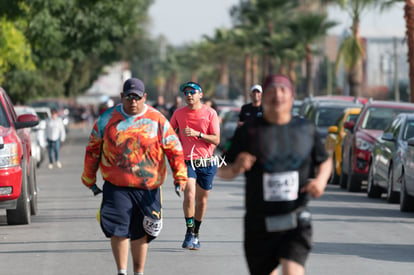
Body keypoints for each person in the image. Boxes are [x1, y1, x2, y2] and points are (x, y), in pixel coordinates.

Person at [217, 74, 332, 275]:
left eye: (283, 90)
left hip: (295, 219)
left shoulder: (305, 129)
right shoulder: (249, 131)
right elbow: (222, 170)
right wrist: (236, 168)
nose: (277, 96)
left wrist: (321, 181)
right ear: (263, 97)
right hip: (259, 222)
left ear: (292, 97)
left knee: (292, 270)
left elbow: (325, 160)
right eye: (271, 91)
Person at [81, 77, 188, 275]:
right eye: (129, 97)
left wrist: (180, 176)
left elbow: (174, 149)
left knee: (143, 231)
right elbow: (93, 150)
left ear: (144, 97)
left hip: (148, 187)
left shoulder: (158, 120)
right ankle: (122, 271)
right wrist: (89, 177)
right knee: (118, 227)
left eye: (137, 97)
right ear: (122, 97)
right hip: (116, 184)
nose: (133, 101)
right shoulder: (107, 119)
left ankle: (138, 272)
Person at [169, 81, 220, 250]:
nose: (189, 95)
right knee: (189, 194)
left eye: (192, 92)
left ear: (200, 94)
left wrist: (198, 134)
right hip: (186, 161)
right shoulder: (178, 113)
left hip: (206, 161)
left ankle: (196, 233)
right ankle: (189, 232)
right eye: (186, 93)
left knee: (202, 201)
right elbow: (168, 134)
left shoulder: (210, 113)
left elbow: (216, 140)